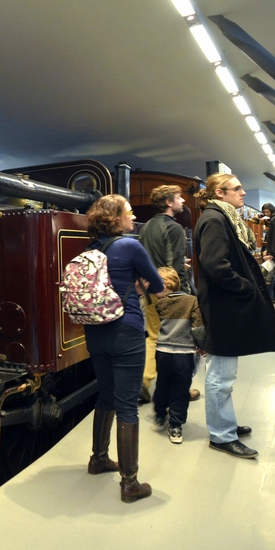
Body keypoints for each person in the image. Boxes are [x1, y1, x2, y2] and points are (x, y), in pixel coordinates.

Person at [82, 194, 166, 503]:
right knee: (127, 405)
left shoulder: (91, 249)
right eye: (129, 213)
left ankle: (98, 459)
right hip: (126, 330)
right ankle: (129, 483)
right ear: (116, 219)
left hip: (95, 332)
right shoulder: (129, 245)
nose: (133, 218)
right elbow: (157, 285)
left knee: (105, 396)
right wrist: (142, 280)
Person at [194, 174, 275, 459]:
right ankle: (221, 435)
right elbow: (215, 265)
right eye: (237, 189)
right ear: (220, 193)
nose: (243, 193)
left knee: (225, 373)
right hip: (222, 307)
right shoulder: (215, 220)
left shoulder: (222, 217)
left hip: (225, 305)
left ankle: (225, 424)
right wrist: (245, 287)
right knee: (220, 374)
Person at [138, 185, 197, 405]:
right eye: (179, 198)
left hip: (150, 290)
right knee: (179, 345)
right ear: (169, 203)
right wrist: (185, 292)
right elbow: (173, 266)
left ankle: (143, 383)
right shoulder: (175, 228)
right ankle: (178, 389)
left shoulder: (146, 227)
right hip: (170, 291)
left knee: (153, 337)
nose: (183, 201)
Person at [150, 267, 204, 445]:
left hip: (163, 352)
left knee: (162, 384)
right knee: (180, 390)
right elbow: (198, 327)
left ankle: (159, 413)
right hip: (185, 354)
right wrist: (202, 346)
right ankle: (175, 426)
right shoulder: (192, 301)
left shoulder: (160, 304)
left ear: (164, 286)